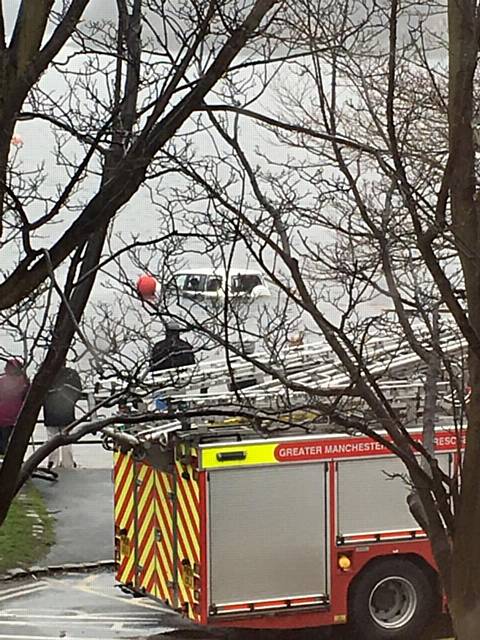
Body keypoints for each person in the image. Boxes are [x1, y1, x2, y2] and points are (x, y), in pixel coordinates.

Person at [43, 366, 82, 469]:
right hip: (67, 412)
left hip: (50, 412)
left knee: (51, 440)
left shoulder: (47, 373)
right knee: (67, 440)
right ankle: (68, 464)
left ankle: (52, 463)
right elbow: (78, 391)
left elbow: (40, 392)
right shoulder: (71, 374)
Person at [0, 358, 29, 455]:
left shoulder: (3, 381)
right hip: (16, 417)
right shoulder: (23, 382)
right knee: (14, 444)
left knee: (3, 443)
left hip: (5, 417)